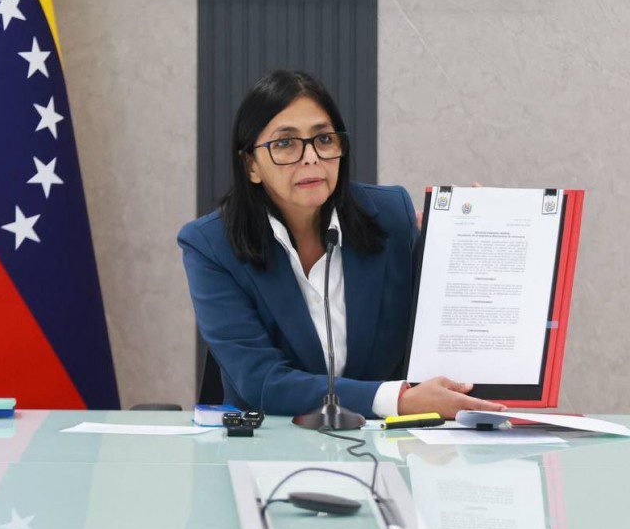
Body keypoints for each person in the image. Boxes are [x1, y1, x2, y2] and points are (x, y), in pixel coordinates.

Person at [178, 70, 506, 419]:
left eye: (323, 139)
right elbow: (262, 382)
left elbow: (436, 332)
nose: (311, 157)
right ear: (251, 166)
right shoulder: (211, 246)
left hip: (385, 444)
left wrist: (471, 245)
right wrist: (398, 401)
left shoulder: (391, 217)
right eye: (285, 143)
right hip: (269, 443)